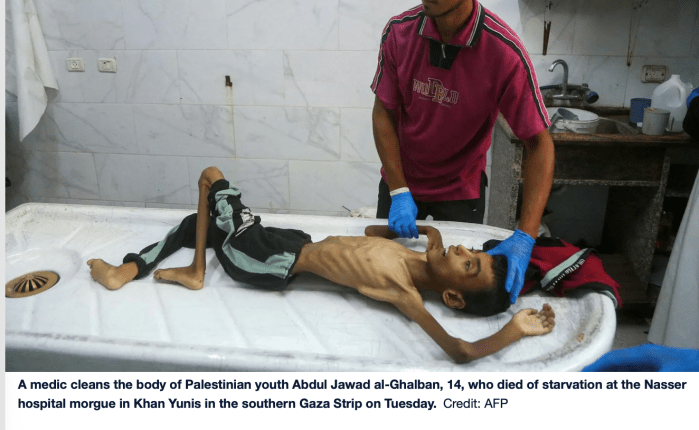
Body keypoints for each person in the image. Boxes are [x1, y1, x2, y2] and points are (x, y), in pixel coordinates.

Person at [87, 167, 555, 364]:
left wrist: (513, 330)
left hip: (271, 262)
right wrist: (422, 234)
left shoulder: (403, 291)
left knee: (211, 179)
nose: (465, 252)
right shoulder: (409, 257)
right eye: (473, 253)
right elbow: (369, 234)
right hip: (296, 243)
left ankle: (195, 273)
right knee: (198, 222)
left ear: (451, 295)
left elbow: (459, 350)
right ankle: (133, 269)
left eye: (469, 266)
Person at [370, 0, 555, 305]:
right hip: (401, 185)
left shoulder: (503, 52)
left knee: (454, 294)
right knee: (386, 282)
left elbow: (538, 143)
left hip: (459, 192)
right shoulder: (399, 33)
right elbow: (384, 111)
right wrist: (398, 190)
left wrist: (526, 235)